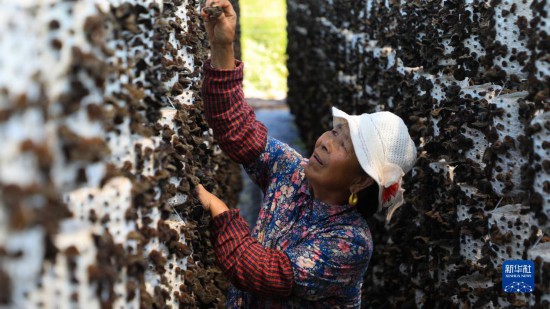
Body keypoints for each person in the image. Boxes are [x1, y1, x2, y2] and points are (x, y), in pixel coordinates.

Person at [195, 1, 417, 307]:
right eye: (336, 131)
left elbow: (266, 273)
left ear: (360, 182)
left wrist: (220, 212)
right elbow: (238, 130)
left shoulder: (349, 242)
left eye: (345, 146)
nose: (327, 141)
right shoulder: (292, 172)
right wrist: (222, 46)